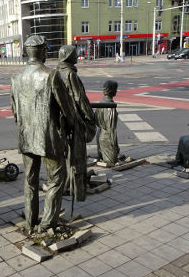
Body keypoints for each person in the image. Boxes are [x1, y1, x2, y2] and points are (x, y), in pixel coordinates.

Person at [10, 36, 81, 234]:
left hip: (26, 137)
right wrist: (71, 126)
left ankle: (30, 221)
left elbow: (15, 111)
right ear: (43, 52)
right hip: (49, 138)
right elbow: (67, 109)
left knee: (30, 181)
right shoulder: (51, 75)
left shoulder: (16, 78)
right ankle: (47, 223)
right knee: (57, 179)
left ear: (26, 52)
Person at [56, 45, 96, 202]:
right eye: (74, 54)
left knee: (66, 156)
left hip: (61, 121)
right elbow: (79, 99)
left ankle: (66, 184)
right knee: (77, 157)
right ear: (68, 57)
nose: (77, 55)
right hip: (74, 121)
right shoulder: (70, 74)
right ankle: (77, 191)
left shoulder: (56, 72)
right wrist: (90, 116)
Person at [96, 80, 120, 166]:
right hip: (108, 139)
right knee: (111, 162)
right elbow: (111, 129)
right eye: (116, 89)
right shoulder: (110, 106)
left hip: (100, 136)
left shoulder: (101, 102)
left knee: (105, 159)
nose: (116, 91)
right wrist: (115, 146)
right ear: (111, 90)